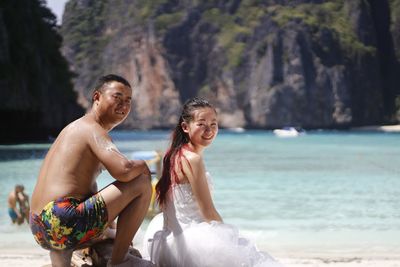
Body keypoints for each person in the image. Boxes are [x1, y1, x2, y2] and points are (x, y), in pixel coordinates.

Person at [29, 74, 154, 267]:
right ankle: (119, 261)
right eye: (117, 97)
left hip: (39, 226)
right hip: (61, 220)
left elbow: (87, 193)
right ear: (97, 97)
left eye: (128, 100)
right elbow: (124, 170)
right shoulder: (92, 129)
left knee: (90, 203)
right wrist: (144, 166)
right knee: (141, 181)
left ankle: (62, 262)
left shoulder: (73, 128)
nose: (124, 105)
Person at [143, 98, 283, 267]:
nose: (209, 130)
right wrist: (229, 239)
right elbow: (208, 212)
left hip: (168, 238)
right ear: (185, 127)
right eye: (201, 124)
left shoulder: (174, 154)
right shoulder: (192, 159)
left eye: (214, 124)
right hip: (189, 243)